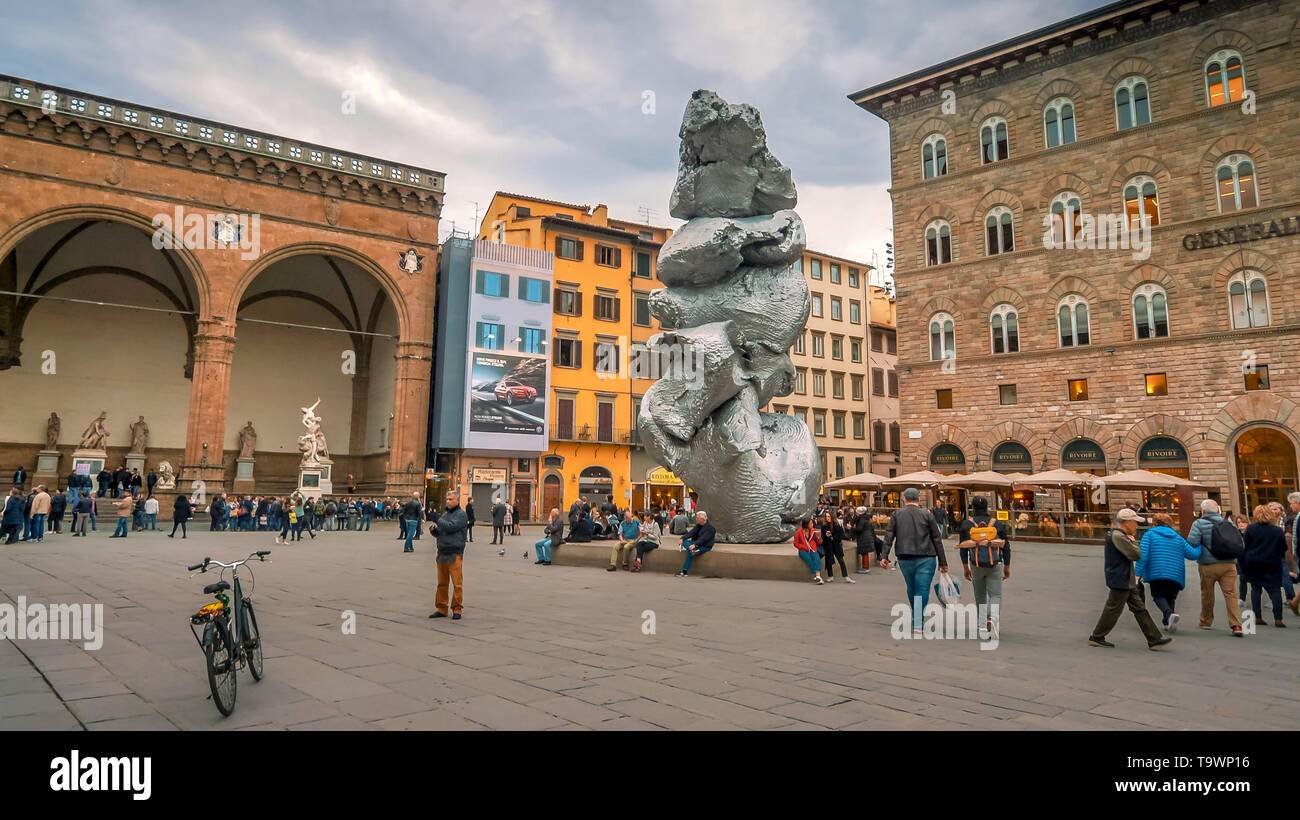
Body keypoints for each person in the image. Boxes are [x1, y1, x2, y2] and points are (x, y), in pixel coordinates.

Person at [1088, 508, 1172, 650]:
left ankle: (1154, 639)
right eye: (1134, 522)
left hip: (1124, 579)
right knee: (1114, 609)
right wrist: (1133, 542)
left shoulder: (1116, 534)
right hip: (1121, 579)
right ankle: (1097, 636)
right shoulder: (1119, 537)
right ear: (1126, 522)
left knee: (1138, 609)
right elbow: (1136, 555)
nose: (1136, 525)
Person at [883, 488, 949, 634]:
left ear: (904, 499)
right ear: (918, 499)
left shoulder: (897, 514)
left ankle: (916, 618)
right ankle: (918, 622)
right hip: (926, 557)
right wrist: (943, 562)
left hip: (905, 557)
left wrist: (884, 556)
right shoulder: (927, 514)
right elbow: (936, 539)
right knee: (922, 589)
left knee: (912, 588)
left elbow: (889, 536)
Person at [1135, 512, 1201, 631]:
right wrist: (1202, 545)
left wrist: (1137, 573)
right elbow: (1192, 554)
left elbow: (1143, 555)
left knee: (1158, 596)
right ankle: (1168, 623)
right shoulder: (1178, 537)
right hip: (1176, 574)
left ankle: (1169, 614)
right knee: (1171, 597)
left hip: (1157, 572)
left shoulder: (1149, 535)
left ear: (1154, 523)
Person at [1185, 499, 1243, 636]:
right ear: (1218, 510)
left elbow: (1192, 542)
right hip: (1229, 564)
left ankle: (1206, 620)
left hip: (1208, 564)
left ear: (1203, 511)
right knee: (1231, 594)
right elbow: (1239, 542)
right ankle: (1236, 625)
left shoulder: (1198, 523)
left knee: (1207, 593)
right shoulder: (1229, 523)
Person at [959, 496, 1011, 637]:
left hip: (976, 564)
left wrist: (965, 567)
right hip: (995, 563)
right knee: (995, 595)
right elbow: (1006, 546)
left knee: (980, 595)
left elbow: (963, 548)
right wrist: (1007, 566)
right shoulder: (997, 523)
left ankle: (982, 625)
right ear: (987, 507)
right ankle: (992, 619)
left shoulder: (967, 524)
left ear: (972, 508)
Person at [1243, 504, 1290, 628]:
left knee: (1256, 590)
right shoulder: (1277, 530)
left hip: (1254, 562)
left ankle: (1257, 616)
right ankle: (1278, 618)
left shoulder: (1251, 528)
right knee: (1275, 591)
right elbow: (1283, 548)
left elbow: (1245, 546)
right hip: (1272, 563)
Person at [428, 490, 468, 620]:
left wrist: (438, 520)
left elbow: (451, 527)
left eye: (451, 499)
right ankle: (441, 608)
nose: (448, 501)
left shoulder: (461, 515)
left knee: (457, 584)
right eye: (447, 499)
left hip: (454, 552)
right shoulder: (445, 514)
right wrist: (434, 530)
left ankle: (457, 609)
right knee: (442, 583)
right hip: (442, 552)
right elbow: (441, 531)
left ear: (457, 500)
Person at [675, 511, 716, 577]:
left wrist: (695, 545)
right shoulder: (699, 525)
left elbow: (703, 539)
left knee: (690, 552)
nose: (696, 519)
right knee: (685, 542)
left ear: (703, 519)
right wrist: (682, 538)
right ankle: (693, 550)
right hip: (695, 544)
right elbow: (691, 533)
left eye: (698, 518)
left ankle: (684, 571)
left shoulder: (710, 528)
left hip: (704, 546)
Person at [819, 511, 853, 583]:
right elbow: (822, 536)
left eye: (829, 516)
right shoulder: (824, 526)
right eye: (826, 517)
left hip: (836, 546)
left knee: (841, 561)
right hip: (828, 546)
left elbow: (841, 536)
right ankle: (830, 576)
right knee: (829, 561)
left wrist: (833, 537)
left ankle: (846, 576)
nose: (827, 518)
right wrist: (826, 535)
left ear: (832, 517)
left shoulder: (837, 525)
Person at [848, 506, 881, 574]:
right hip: (867, 538)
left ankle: (865, 567)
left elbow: (859, 529)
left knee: (864, 553)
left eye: (856, 512)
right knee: (865, 553)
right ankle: (865, 567)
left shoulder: (861, 520)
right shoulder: (866, 519)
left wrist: (851, 527)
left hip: (864, 538)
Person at [794, 517, 825, 584]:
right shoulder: (799, 532)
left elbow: (819, 542)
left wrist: (818, 537)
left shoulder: (814, 530)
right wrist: (804, 547)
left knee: (817, 559)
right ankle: (817, 575)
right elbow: (796, 543)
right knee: (809, 559)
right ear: (806, 524)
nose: (812, 524)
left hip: (813, 549)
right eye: (811, 523)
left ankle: (818, 577)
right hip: (803, 550)